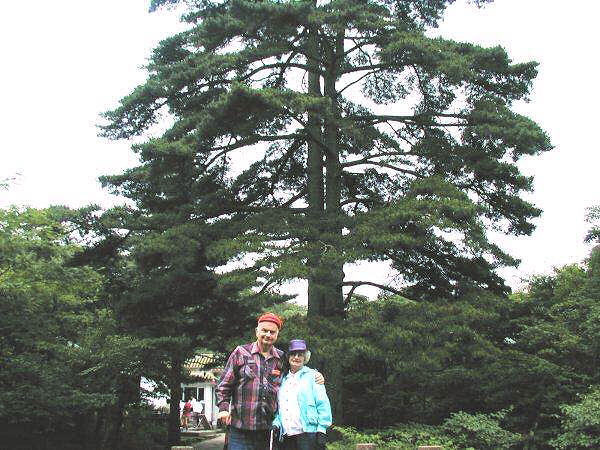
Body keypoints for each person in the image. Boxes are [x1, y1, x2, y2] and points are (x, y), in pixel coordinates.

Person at [216, 313, 324, 450]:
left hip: (268, 431)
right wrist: (223, 409)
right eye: (264, 330)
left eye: (272, 332)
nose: (268, 334)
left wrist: (315, 374)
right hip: (240, 429)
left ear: (277, 335)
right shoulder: (241, 352)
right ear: (257, 331)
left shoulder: (281, 358)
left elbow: (297, 371)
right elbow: (223, 385)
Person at [273, 340, 332, 450]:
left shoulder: (313, 376)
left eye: (300, 355)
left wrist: (322, 431)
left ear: (305, 358)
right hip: (286, 436)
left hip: (308, 435)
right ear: (288, 356)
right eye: (293, 354)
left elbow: (323, 405)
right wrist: (276, 424)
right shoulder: (282, 379)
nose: (296, 357)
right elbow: (278, 408)